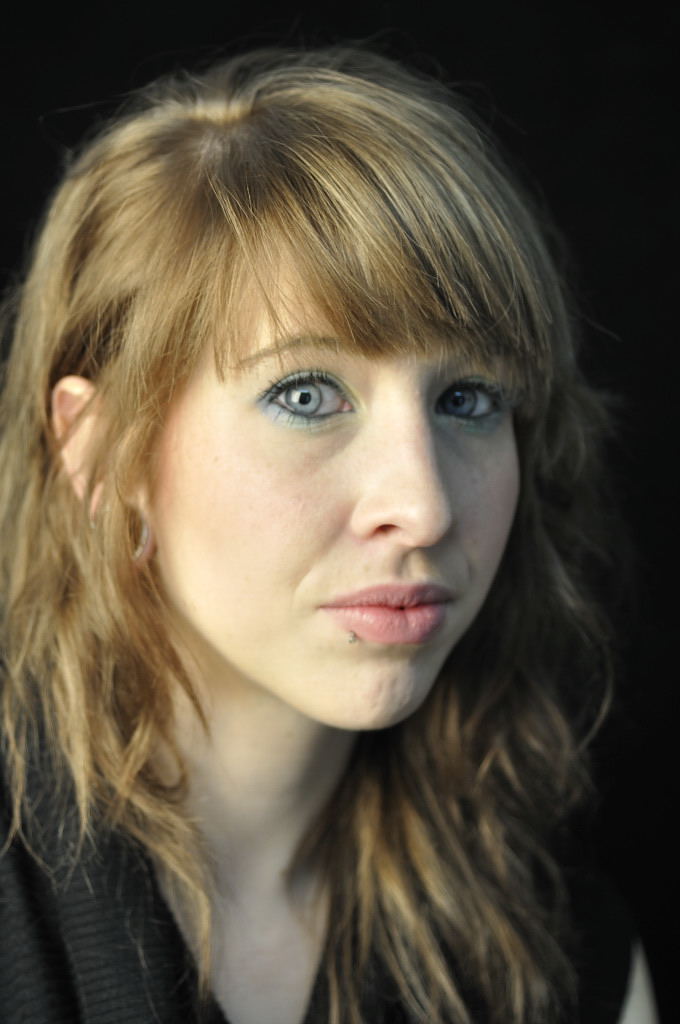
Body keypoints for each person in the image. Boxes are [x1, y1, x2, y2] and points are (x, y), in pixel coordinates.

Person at [0, 46, 658, 1024]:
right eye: (306, 395)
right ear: (103, 456)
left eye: (467, 398)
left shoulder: (562, 955)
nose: (424, 506)